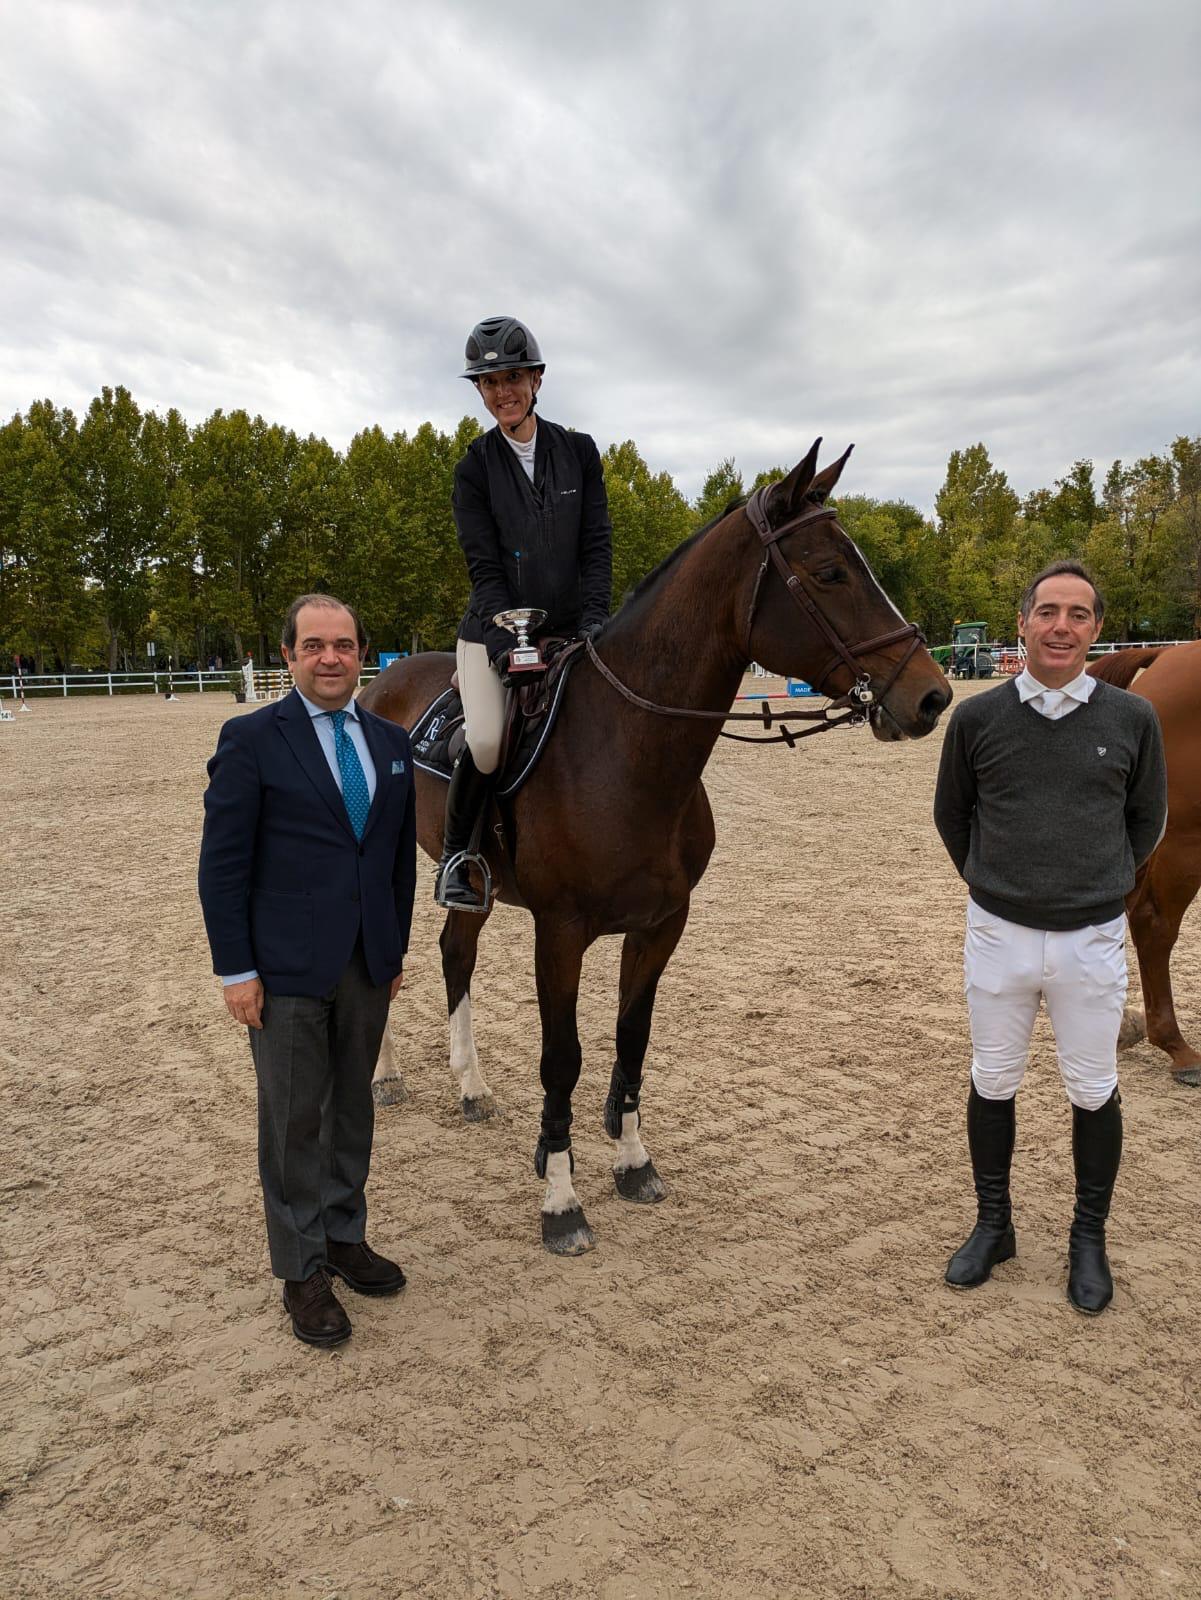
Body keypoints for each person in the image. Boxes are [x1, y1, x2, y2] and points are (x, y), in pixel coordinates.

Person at [933, 561, 1166, 1316]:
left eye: (1077, 614)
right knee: (993, 1077)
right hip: (998, 932)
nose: (1060, 626)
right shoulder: (977, 719)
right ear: (1023, 623)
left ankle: (1086, 1239)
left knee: (1091, 1086)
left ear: (1096, 627)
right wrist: (993, 882)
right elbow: (952, 815)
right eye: (1046, 612)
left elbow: (1146, 821)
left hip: (1089, 937)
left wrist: (1097, 885)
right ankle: (993, 1225)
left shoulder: (1131, 719)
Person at [198, 593, 417, 1347]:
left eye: (345, 645)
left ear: (364, 655)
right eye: (315, 645)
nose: (331, 658)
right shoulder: (252, 738)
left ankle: (343, 1235)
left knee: (351, 1106)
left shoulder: (390, 743)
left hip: (366, 962)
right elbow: (222, 866)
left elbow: (394, 861)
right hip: (284, 966)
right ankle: (301, 1271)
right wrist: (236, 971)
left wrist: (393, 952)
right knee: (293, 1120)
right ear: (289, 655)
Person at [435, 315, 613, 910]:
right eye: (489, 383)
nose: (502, 391)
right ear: (479, 393)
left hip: (570, 629)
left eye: (513, 377)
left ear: (536, 379)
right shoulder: (472, 469)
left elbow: (596, 547)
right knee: (486, 741)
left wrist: (594, 624)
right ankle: (460, 857)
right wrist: (504, 643)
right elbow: (483, 569)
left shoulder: (580, 453)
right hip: (492, 629)